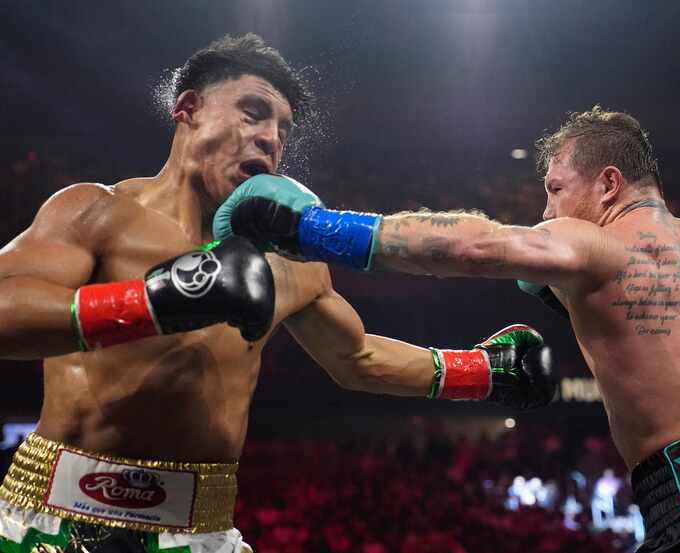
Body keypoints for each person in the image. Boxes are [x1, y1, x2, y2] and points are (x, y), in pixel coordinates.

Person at [0, 34, 557, 553]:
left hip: (197, 529)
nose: (270, 137)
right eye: (252, 112)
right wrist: (154, 303)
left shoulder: (289, 260)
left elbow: (356, 356)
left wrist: (482, 372)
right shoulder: (98, 212)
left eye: (283, 129)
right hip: (55, 516)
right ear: (188, 109)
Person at [220, 106, 680, 551]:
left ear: (609, 183)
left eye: (556, 190)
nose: (546, 213)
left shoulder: (593, 243)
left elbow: (473, 247)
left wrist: (311, 229)